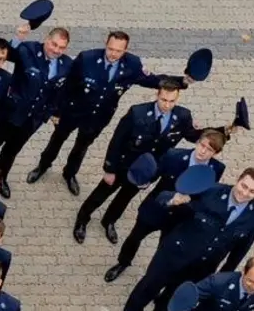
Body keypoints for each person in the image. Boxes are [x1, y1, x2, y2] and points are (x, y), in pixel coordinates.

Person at [120, 168, 254, 311]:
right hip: (175, 253)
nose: (245, 193)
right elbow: (168, 200)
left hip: (204, 265)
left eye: (252, 191)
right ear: (237, 180)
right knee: (149, 286)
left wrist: (226, 272)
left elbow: (245, 242)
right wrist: (172, 200)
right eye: (243, 186)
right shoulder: (211, 191)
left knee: (176, 293)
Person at [26, 32, 167, 196]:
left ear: (126, 50)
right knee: (57, 140)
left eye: (118, 51)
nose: (113, 54)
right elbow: (67, 85)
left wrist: (183, 81)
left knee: (81, 147)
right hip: (73, 111)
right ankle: (43, 166)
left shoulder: (133, 64)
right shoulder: (87, 58)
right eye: (110, 49)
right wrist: (56, 111)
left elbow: (152, 81)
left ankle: (70, 173)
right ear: (105, 44)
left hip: (98, 117)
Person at [72, 77, 203, 243]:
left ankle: (109, 221)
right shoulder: (137, 113)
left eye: (172, 101)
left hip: (145, 171)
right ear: (157, 95)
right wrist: (109, 169)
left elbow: (193, 136)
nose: (167, 105)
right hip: (123, 165)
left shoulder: (182, 116)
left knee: (124, 198)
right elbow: (117, 141)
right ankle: (82, 219)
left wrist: (224, 131)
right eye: (164, 100)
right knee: (101, 194)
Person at [104, 129, 229, 282]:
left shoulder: (217, 168)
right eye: (202, 145)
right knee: (135, 237)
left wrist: (191, 201)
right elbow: (155, 175)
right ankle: (123, 262)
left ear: (216, 153)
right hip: (157, 207)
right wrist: (144, 182)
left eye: (209, 150)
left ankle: (152, 277)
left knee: (164, 249)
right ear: (197, 142)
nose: (203, 151)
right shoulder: (174, 155)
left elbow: (206, 192)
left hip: (180, 216)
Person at [0, 23, 71, 197]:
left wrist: (51, 113)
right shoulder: (29, 49)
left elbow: (62, 91)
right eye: (54, 44)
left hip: (31, 120)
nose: (56, 50)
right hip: (7, 113)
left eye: (62, 47)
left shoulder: (67, 64)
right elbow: (10, 54)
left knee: (11, 151)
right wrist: (18, 38)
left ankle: (0, 178)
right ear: (46, 39)